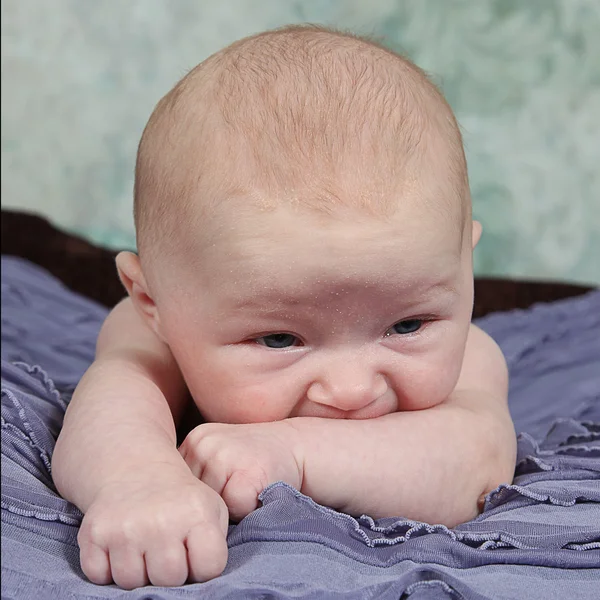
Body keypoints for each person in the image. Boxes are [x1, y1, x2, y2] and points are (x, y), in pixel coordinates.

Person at [52, 25, 517, 590]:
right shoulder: (149, 334)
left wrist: (293, 453)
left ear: (463, 267)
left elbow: (478, 462)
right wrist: (135, 480)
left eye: (407, 325)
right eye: (279, 338)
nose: (351, 390)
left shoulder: (470, 356)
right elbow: (109, 410)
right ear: (155, 302)